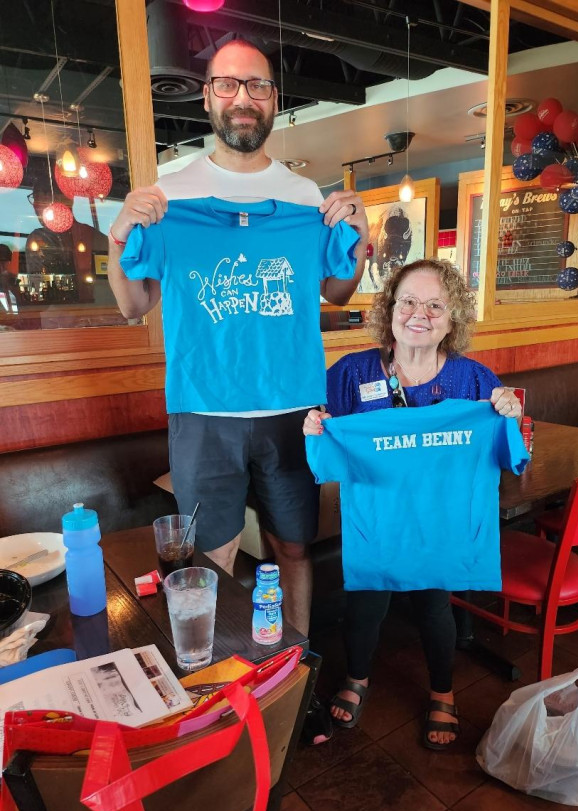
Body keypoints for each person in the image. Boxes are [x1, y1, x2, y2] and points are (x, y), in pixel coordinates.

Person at [107, 38, 368, 638]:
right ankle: (223, 674)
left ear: (275, 98)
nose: (242, 97)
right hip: (204, 411)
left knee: (294, 546)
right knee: (210, 559)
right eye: (227, 84)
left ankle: (298, 663)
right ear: (207, 97)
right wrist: (118, 236)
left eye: (257, 85)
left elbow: (338, 293)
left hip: (293, 407)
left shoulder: (304, 199)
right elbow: (131, 304)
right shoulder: (171, 197)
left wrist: (360, 232)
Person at [303, 257, 523, 749]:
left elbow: (508, 454)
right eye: (407, 301)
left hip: (438, 523)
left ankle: (443, 691)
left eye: (434, 305)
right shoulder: (351, 372)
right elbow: (325, 431)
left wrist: (508, 413)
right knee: (365, 603)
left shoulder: (474, 380)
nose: (418, 314)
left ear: (452, 317)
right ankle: (357, 678)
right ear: (389, 309)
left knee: (433, 605)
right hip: (375, 520)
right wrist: (316, 425)